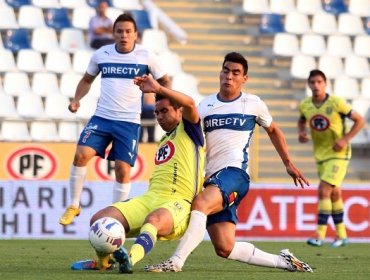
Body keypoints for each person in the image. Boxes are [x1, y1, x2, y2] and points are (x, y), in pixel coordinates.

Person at [142, 52, 313, 273]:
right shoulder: (205, 106)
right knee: (224, 247)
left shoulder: (253, 103)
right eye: (225, 70)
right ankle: (284, 261)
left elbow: (273, 130)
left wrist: (288, 163)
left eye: (235, 73)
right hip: (212, 179)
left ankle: (175, 262)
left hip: (235, 174)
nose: (229, 76)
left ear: (244, 78)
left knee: (201, 204)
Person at [70, 74, 205, 271]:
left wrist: (158, 89)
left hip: (178, 203)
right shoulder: (164, 141)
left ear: (179, 111)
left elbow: (191, 104)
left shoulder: (190, 131)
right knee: (99, 220)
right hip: (150, 198)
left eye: (164, 111)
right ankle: (103, 263)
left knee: (153, 220)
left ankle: (130, 260)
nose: (159, 117)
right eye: (157, 113)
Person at [59, 13, 171, 226]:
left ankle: (115, 218)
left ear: (135, 35)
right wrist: (76, 100)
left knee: (122, 169)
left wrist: (165, 103)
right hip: (102, 117)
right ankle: (74, 204)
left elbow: (164, 80)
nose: (124, 35)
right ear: (113, 33)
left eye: (128, 31)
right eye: (119, 31)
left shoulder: (146, 56)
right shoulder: (102, 54)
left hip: (128, 122)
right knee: (81, 154)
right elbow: (86, 79)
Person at [297, 70, 364, 247]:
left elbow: (360, 120)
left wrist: (345, 139)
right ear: (309, 84)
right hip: (321, 155)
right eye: (312, 82)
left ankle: (319, 234)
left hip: (339, 154)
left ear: (325, 84)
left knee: (323, 190)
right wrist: (302, 132)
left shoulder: (337, 103)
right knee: (334, 193)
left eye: (319, 82)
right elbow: (302, 120)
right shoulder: (305, 105)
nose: (316, 85)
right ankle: (342, 236)